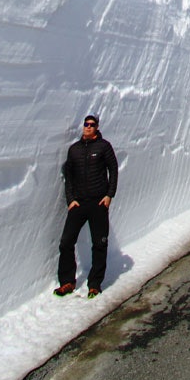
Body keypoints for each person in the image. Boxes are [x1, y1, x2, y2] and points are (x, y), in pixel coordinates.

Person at [53, 114, 118, 298]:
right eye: (86, 125)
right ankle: (67, 282)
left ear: (97, 127)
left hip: (98, 203)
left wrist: (109, 195)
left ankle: (94, 284)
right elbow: (69, 176)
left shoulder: (104, 147)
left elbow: (113, 170)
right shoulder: (74, 150)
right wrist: (70, 199)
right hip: (79, 203)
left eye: (92, 125)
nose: (88, 127)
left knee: (99, 244)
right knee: (66, 242)